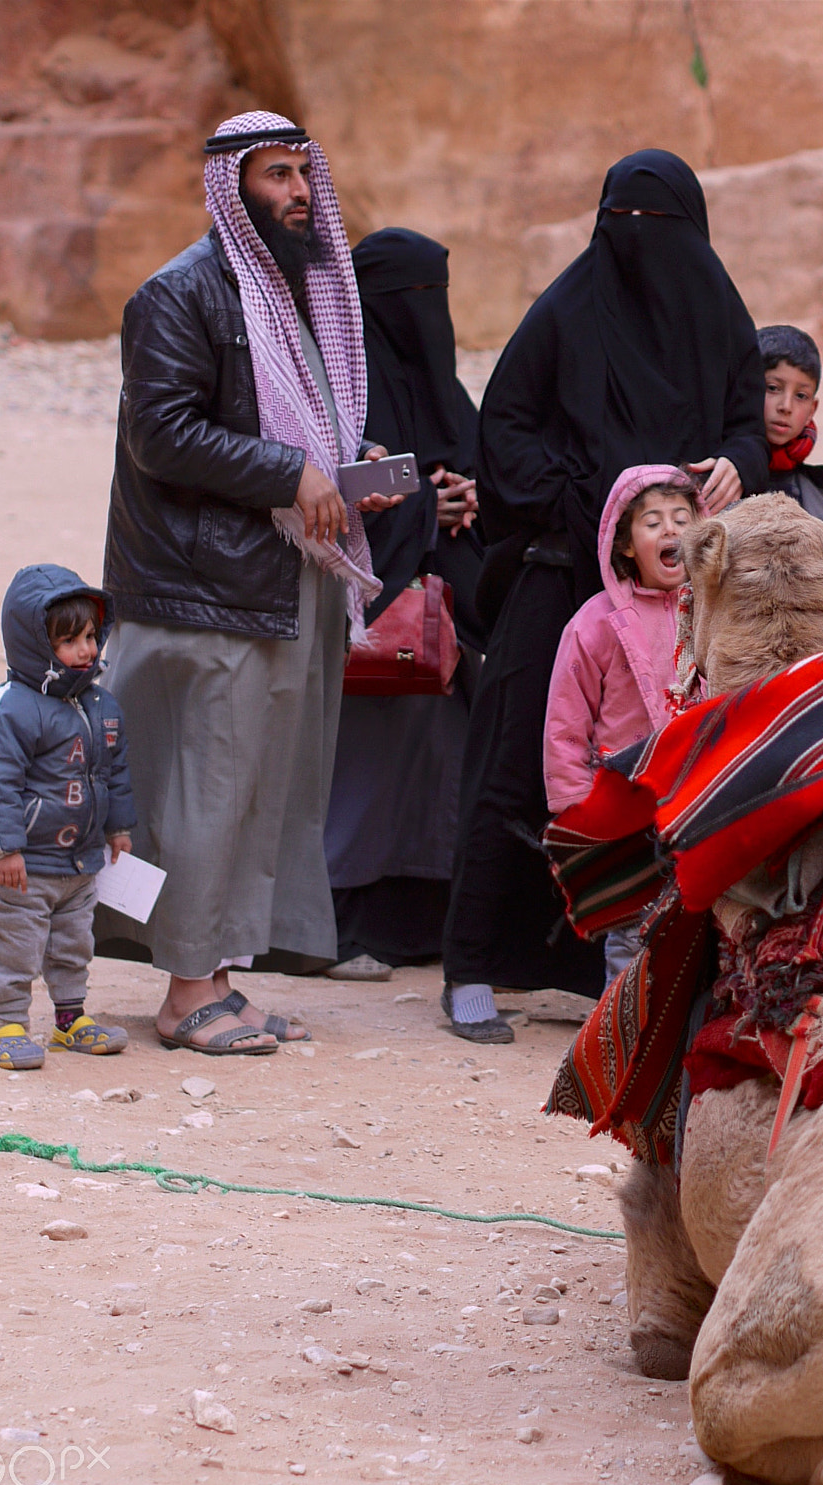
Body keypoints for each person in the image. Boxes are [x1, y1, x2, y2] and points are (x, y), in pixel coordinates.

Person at [441, 149, 770, 1045]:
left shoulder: (718, 317)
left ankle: (632, 973)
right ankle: (473, 964)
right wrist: (586, 499)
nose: (645, 251)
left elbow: (748, 419)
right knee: (521, 758)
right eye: (629, 230)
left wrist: (738, 460)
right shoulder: (566, 313)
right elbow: (503, 424)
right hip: (562, 575)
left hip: (683, 584)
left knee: (677, 770)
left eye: (663, 232)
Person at [96, 110, 402, 1056]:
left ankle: (219, 979)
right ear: (232, 186)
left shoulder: (291, 292)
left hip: (280, 578)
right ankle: (186, 993)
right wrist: (289, 475)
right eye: (276, 176)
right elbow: (162, 434)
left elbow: (294, 431)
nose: (299, 193)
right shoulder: (180, 293)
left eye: (305, 175)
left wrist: (347, 471)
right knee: (206, 790)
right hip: (205, 590)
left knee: (263, 790)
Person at [321, 227, 485, 980]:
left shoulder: (445, 391)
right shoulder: (338, 384)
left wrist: (471, 497)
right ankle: (335, 922)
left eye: (433, 299)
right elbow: (333, 485)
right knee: (360, 774)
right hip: (364, 622)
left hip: (443, 623)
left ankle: (426, 920)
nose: (423, 316)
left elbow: (481, 460)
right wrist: (427, 509)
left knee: (435, 767)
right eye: (404, 301)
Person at [0, 567, 136, 1069]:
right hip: (26, 865)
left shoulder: (101, 705)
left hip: (80, 863)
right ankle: (6, 1022)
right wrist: (4, 849)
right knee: (17, 943)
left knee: (73, 943)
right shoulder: (11, 708)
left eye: (89, 637)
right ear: (36, 644)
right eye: (68, 640)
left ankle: (69, 1019)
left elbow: (114, 771)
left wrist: (118, 828)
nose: (85, 650)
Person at [543, 466, 701, 983]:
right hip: (626, 810)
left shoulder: (717, 615)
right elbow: (566, 723)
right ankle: (621, 1039)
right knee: (632, 931)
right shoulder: (597, 621)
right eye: (652, 522)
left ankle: (680, 1047)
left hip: (699, 801)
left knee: (703, 926)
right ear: (626, 544)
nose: (671, 531)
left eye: (682, 518)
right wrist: (575, 810)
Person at [759, 325, 823, 534]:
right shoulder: (720, 477)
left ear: (812, 411)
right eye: (773, 388)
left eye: (801, 396)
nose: (785, 406)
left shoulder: (820, 492)